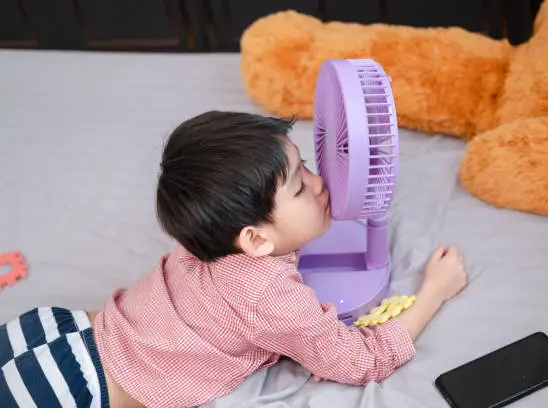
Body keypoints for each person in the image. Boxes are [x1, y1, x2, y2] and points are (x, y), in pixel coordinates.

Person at [0, 111, 468, 408]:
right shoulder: (273, 297)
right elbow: (360, 360)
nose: (321, 181)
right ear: (255, 239)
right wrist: (433, 292)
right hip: (68, 390)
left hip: (50, 326)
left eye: (303, 164)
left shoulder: (206, 232)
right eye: (301, 187)